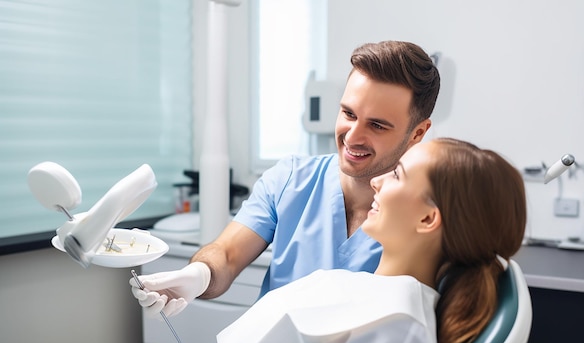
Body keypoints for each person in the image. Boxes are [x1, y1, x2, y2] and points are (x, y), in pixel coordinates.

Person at [82, 138, 527, 343]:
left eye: (397, 175)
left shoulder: (398, 324)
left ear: (429, 218)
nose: (375, 180)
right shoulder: (369, 292)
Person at [131, 40, 441, 318]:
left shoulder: (425, 218)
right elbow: (226, 254)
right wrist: (199, 275)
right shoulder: (290, 179)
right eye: (348, 114)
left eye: (377, 125)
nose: (353, 136)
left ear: (417, 133)